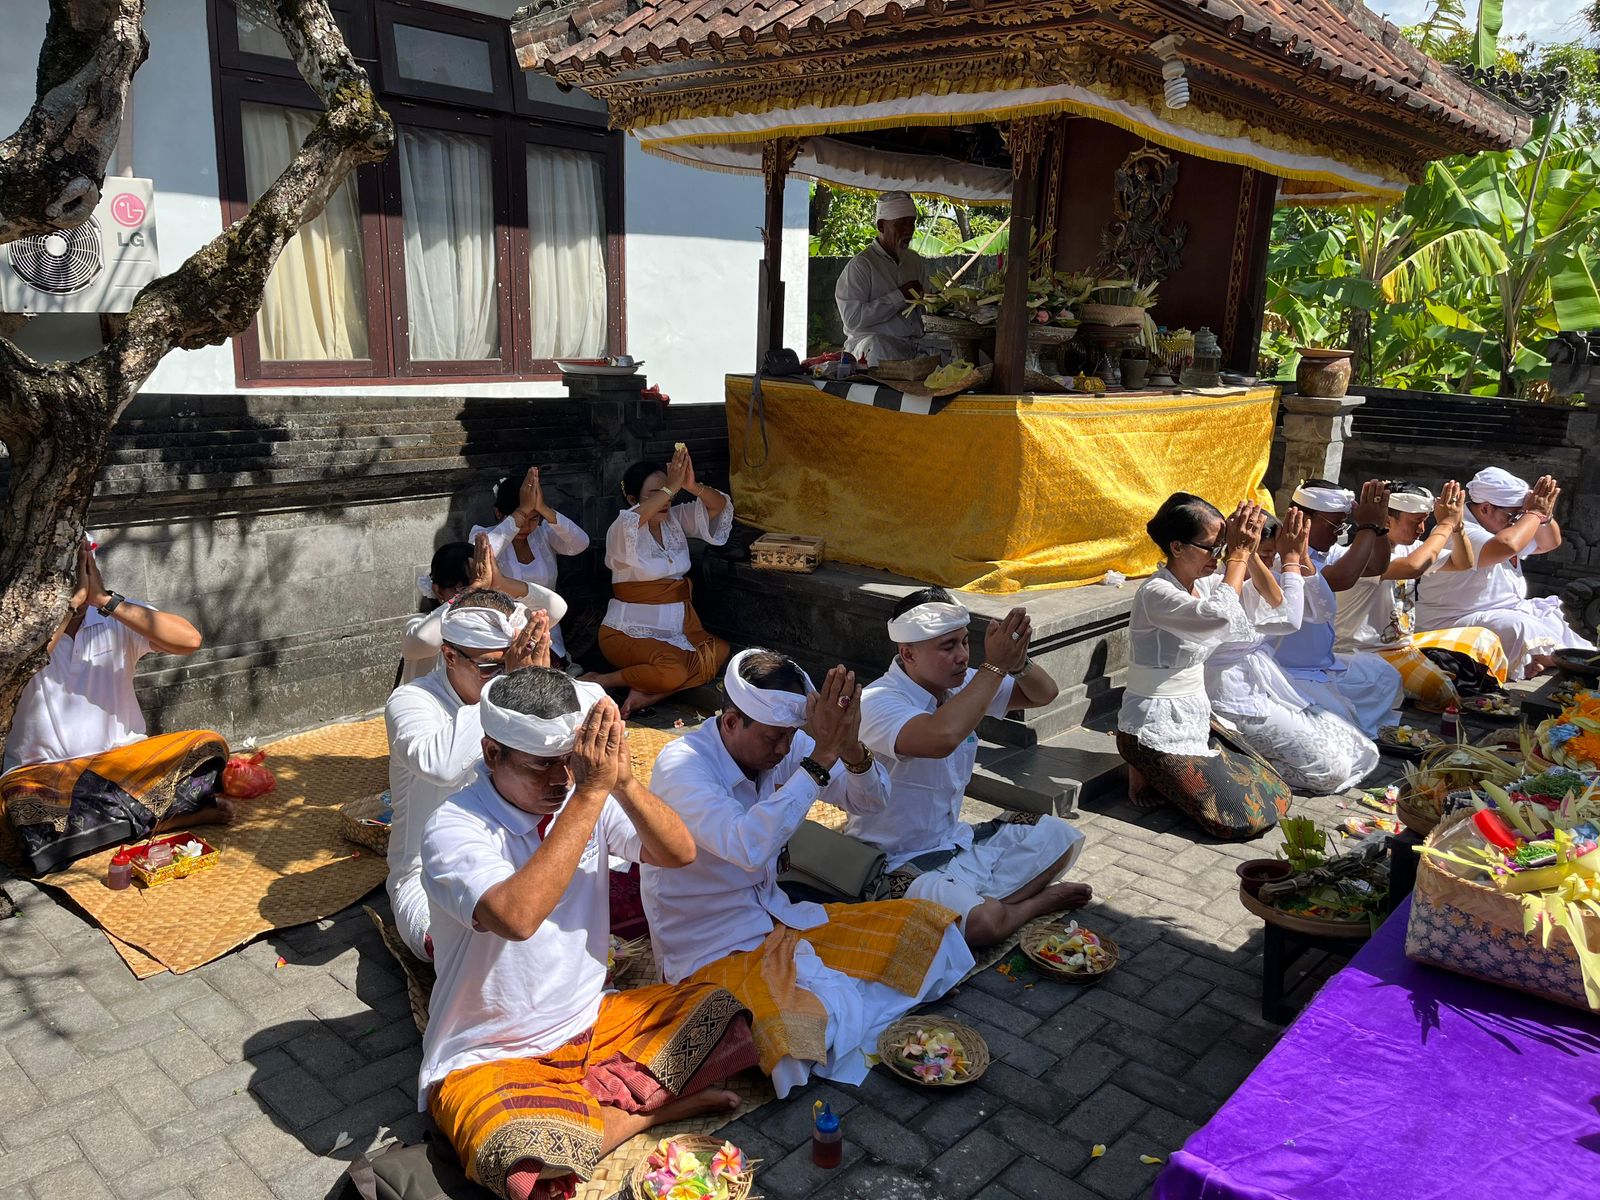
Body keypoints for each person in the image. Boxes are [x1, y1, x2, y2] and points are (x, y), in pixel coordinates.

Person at [420, 669, 757, 1200]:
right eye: (541, 767)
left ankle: (586, 1120)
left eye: (569, 764)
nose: (560, 780)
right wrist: (589, 794)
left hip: (591, 1018)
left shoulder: (583, 797)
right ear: (491, 754)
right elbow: (517, 917)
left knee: (722, 1016)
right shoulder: (454, 826)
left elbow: (679, 853)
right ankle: (645, 1114)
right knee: (514, 1158)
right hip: (490, 1049)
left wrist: (620, 782)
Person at [642, 649, 974, 1097]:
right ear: (730, 721)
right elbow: (748, 848)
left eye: (790, 737)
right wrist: (820, 758)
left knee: (933, 933)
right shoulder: (682, 767)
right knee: (793, 1047)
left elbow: (871, 801)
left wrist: (851, 745)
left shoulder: (787, 741)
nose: (783, 749)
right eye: (773, 738)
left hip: (781, 918)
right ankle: (865, 1001)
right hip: (709, 944)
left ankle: (854, 1000)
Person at [853, 589, 1090, 948]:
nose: (963, 656)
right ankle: (1033, 904)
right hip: (897, 864)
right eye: (948, 647)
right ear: (907, 653)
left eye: (965, 642)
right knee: (981, 926)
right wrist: (995, 668)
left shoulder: (964, 684)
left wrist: (1019, 662)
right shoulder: (877, 701)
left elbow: (1044, 694)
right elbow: (940, 737)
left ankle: (974, 906)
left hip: (957, 844)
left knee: (1061, 837)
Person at [2, 538, 232, 875]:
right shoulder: (19, 627)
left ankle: (104, 831)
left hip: (125, 769)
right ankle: (166, 818)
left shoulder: (115, 614)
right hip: (46, 776)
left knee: (207, 746)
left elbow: (189, 640)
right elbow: (17, 669)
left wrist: (103, 600)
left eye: (80, 567)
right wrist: (66, 610)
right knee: (20, 808)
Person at [1115, 494, 1294, 840]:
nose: (1220, 557)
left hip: (1196, 717)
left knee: (1275, 791)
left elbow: (1275, 602)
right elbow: (1217, 617)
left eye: (1223, 547)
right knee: (1239, 819)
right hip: (1151, 724)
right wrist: (1238, 556)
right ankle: (1139, 761)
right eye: (1213, 548)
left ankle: (1164, 776)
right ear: (1177, 547)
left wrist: (1250, 552)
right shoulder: (1156, 593)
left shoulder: (1206, 584)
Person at [385, 590, 550, 958]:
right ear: (449, 656)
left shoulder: (513, 684)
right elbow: (441, 765)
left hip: (522, 854)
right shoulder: (411, 701)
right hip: (429, 876)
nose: (506, 676)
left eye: (512, 663)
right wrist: (508, 689)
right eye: (493, 667)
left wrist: (543, 685)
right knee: (469, 948)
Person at [1207, 509, 1379, 794]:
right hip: (1231, 698)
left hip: (1268, 685)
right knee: (1331, 770)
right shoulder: (1217, 583)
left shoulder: (1259, 578)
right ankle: (1240, 764)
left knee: (1354, 745)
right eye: (1261, 553)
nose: (1267, 561)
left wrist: (1302, 560)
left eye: (1271, 554)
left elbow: (1322, 609)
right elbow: (1290, 618)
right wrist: (1288, 562)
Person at [583, 445, 732, 717]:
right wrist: (669, 487)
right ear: (632, 498)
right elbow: (631, 522)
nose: (667, 500)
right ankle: (605, 680)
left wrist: (689, 485)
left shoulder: (673, 519)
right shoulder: (623, 527)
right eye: (656, 493)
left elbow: (718, 505)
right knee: (672, 670)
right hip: (626, 632)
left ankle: (647, 694)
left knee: (719, 652)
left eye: (670, 493)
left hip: (678, 631)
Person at [1331, 480, 1509, 706]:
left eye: (1425, 521)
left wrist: (1458, 525)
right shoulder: (1364, 556)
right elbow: (1413, 566)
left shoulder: (1409, 548)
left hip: (1404, 644)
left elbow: (1463, 562)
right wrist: (1445, 524)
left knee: (1485, 639)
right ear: (1387, 520)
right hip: (1365, 654)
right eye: (1416, 522)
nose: (1422, 529)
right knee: (1442, 692)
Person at [1417, 467, 1595, 679]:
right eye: (1514, 515)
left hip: (1507, 609)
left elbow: (1549, 542)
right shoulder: (1460, 530)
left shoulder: (1504, 527)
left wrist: (1543, 516)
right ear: (1485, 509)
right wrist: (1533, 514)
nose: (1518, 522)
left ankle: (1538, 659)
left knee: (1563, 615)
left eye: (1520, 515)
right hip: (1454, 620)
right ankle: (1543, 660)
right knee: (1518, 627)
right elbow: (1507, 546)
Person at [1270, 481, 1404, 736]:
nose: (1338, 533)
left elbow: (1376, 566)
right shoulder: (1282, 557)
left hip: (1324, 665)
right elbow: (1343, 578)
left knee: (1385, 675)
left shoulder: (1323, 553)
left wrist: (1380, 528)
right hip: (1289, 672)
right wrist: (1367, 526)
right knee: (1340, 725)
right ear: (1302, 519)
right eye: (1334, 525)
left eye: (1344, 525)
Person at [398, 535, 566, 689]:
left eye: (484, 587)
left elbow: (556, 608)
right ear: (439, 591)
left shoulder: (499, 623)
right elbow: (425, 638)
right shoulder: (417, 625)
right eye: (462, 588)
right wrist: (472, 590)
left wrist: (502, 584)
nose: (478, 596)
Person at [470, 467, 589, 665]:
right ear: (499, 513)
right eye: (520, 520)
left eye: (534, 519)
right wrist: (522, 512)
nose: (526, 527)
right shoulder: (485, 535)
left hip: (547, 632)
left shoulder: (543, 534)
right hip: (500, 636)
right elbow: (479, 556)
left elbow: (580, 543)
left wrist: (543, 508)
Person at [834, 191, 929, 366]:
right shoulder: (862, 265)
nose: (908, 230)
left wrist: (935, 302)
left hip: (914, 345)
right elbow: (853, 320)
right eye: (901, 224)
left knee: (953, 347)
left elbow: (926, 307)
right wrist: (900, 297)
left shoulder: (914, 261)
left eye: (911, 223)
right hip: (872, 345)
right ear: (881, 226)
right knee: (879, 348)